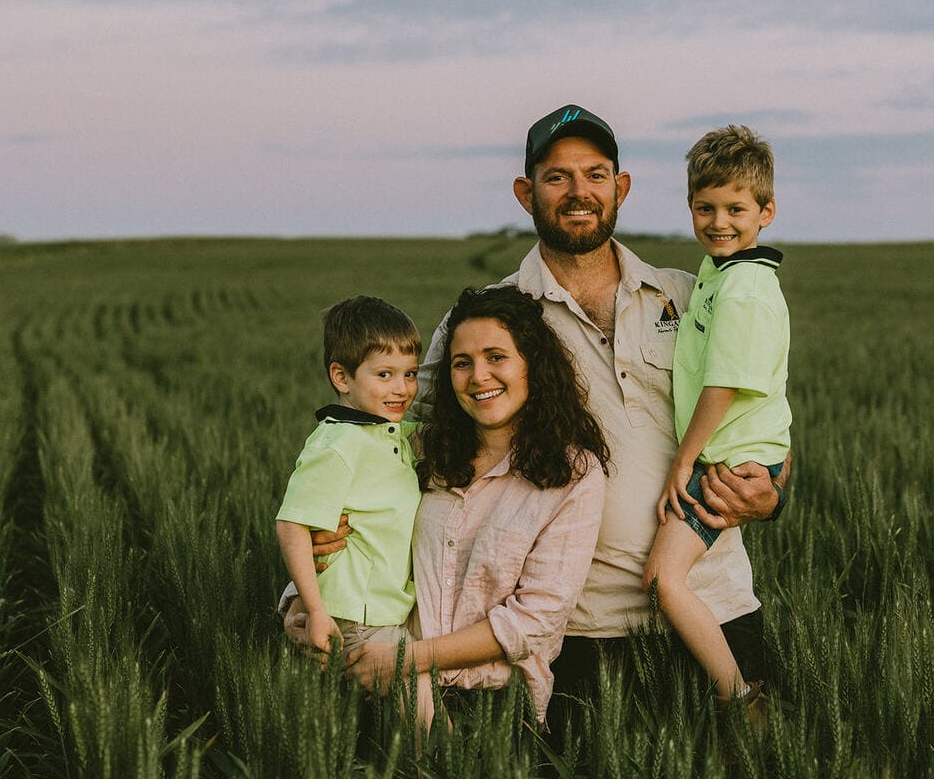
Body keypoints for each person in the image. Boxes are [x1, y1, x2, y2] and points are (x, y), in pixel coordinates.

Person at [299, 103, 788, 719]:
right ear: (525, 192)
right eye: (557, 177)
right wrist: (333, 521)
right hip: (574, 634)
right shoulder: (490, 321)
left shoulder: (691, 294)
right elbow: (394, 431)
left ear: (622, 187)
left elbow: (758, 400)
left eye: (596, 173)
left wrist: (771, 489)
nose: (579, 191)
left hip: (711, 608)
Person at [336, 285, 611, 727]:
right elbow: (345, 533)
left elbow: (533, 619)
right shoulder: (415, 450)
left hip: (494, 710)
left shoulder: (573, 473)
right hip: (386, 690)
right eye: (462, 363)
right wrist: (301, 605)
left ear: (532, 366)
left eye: (496, 357)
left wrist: (408, 659)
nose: (478, 376)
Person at [643, 125, 790, 705]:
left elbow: (723, 384)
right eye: (705, 208)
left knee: (661, 579)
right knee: (666, 578)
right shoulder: (720, 274)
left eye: (736, 208)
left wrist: (684, 460)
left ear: (767, 211)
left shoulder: (745, 288)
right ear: (689, 207)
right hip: (733, 453)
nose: (718, 221)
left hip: (726, 464)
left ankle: (738, 696)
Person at [275, 295, 422, 658]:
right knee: (426, 715)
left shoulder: (385, 431)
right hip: (353, 617)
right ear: (341, 377)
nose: (401, 388)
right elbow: (292, 524)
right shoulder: (338, 443)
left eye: (410, 374)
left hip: (384, 612)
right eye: (384, 374)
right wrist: (315, 610)